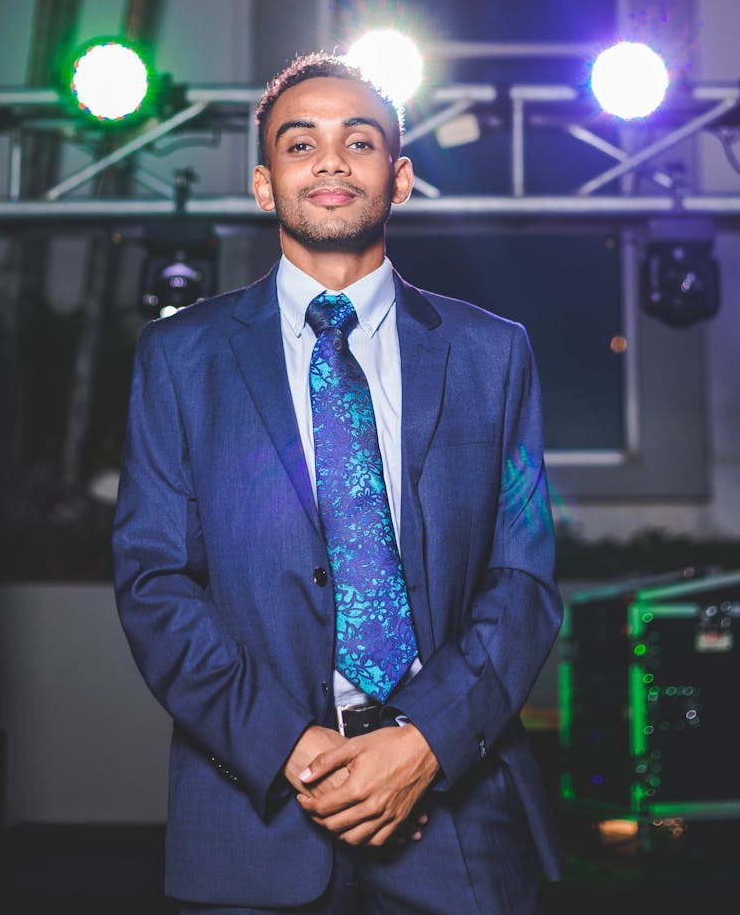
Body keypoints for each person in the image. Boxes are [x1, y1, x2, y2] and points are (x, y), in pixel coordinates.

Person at [112, 50, 565, 915]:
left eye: (358, 142)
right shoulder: (180, 359)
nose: (328, 160)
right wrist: (293, 748)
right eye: (299, 143)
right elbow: (153, 582)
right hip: (254, 818)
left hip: (460, 821)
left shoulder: (491, 353)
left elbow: (524, 577)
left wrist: (423, 741)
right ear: (261, 182)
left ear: (397, 180)